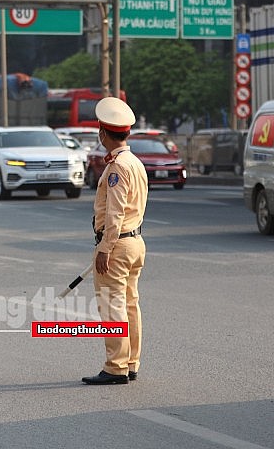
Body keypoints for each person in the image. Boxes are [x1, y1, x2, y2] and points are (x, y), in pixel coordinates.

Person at [82, 97, 148, 386]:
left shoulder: (118, 167)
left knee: (113, 306)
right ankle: (131, 362)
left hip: (118, 244)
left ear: (103, 133)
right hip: (135, 242)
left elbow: (115, 212)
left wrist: (104, 248)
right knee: (130, 304)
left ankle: (116, 367)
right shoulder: (134, 162)